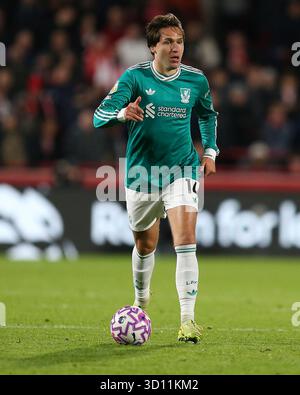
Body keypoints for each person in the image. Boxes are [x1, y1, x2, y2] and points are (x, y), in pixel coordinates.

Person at [93, 13, 219, 343]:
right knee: (145, 245)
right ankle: (141, 300)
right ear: (152, 47)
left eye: (180, 41)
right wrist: (122, 113)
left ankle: (188, 321)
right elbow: (98, 116)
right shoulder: (134, 78)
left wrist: (210, 151)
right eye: (167, 42)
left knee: (185, 240)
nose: (175, 48)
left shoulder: (196, 81)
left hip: (182, 170)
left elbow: (208, 115)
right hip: (142, 174)